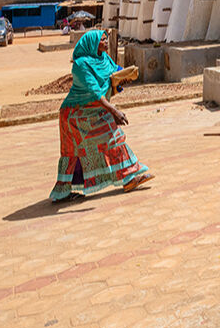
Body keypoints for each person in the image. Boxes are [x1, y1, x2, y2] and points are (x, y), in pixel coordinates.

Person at [49, 29, 153, 202]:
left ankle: (127, 177)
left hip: (96, 111)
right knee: (79, 150)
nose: (106, 42)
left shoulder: (104, 59)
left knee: (93, 146)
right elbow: (94, 91)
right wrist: (114, 111)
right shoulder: (81, 65)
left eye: (106, 39)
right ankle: (129, 176)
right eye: (102, 40)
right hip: (75, 114)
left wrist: (126, 76)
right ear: (92, 43)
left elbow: (114, 74)